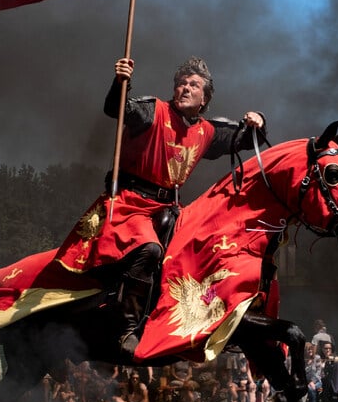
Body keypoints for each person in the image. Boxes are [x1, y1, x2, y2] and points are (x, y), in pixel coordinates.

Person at [55, 56, 267, 356]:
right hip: (129, 204)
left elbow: (244, 139)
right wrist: (120, 83)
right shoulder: (152, 110)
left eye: (193, 85)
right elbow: (118, 109)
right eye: (181, 83)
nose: (185, 88)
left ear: (204, 98)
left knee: (201, 251)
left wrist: (257, 119)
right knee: (150, 250)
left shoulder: (207, 131)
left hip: (168, 210)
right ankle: (126, 327)